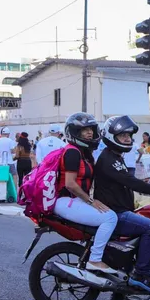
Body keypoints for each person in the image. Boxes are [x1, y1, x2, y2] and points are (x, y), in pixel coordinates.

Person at [94, 115, 150, 300]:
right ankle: (141, 273)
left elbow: (127, 183)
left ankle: (119, 294)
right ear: (111, 136)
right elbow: (129, 181)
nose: (128, 139)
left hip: (120, 209)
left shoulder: (114, 156)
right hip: (115, 213)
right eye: (123, 136)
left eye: (129, 136)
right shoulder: (109, 159)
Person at [49, 113, 119, 275]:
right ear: (74, 133)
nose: (89, 133)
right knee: (110, 217)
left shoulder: (83, 153)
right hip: (66, 200)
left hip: (73, 200)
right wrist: (91, 201)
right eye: (84, 130)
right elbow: (70, 184)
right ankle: (95, 260)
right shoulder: (72, 152)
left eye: (90, 130)